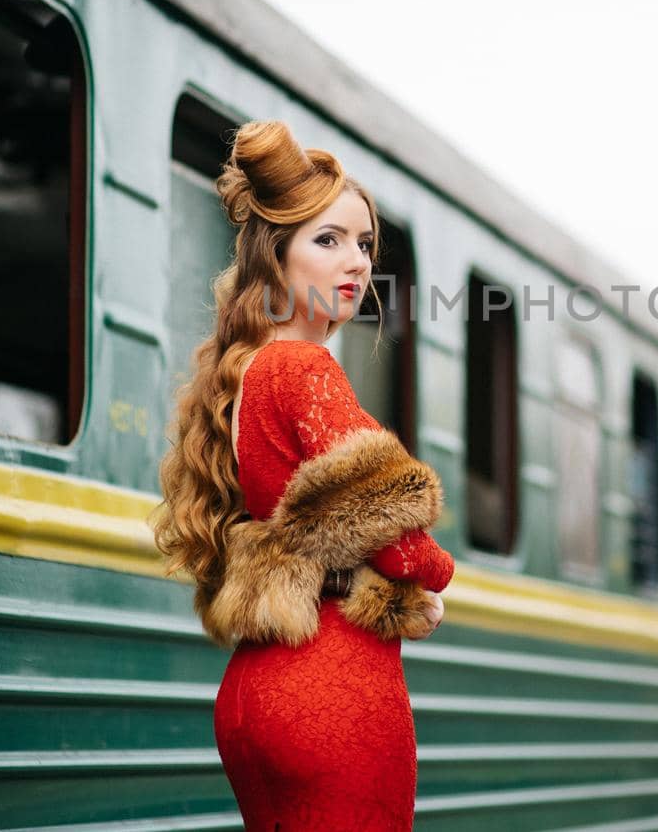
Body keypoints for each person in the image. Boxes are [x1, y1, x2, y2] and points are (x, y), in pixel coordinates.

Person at [152, 119, 455, 831]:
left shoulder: (246, 372)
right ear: (275, 258)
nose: (356, 262)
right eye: (329, 240)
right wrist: (432, 577)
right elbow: (407, 545)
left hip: (257, 690)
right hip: (333, 687)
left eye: (364, 243)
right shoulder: (304, 369)